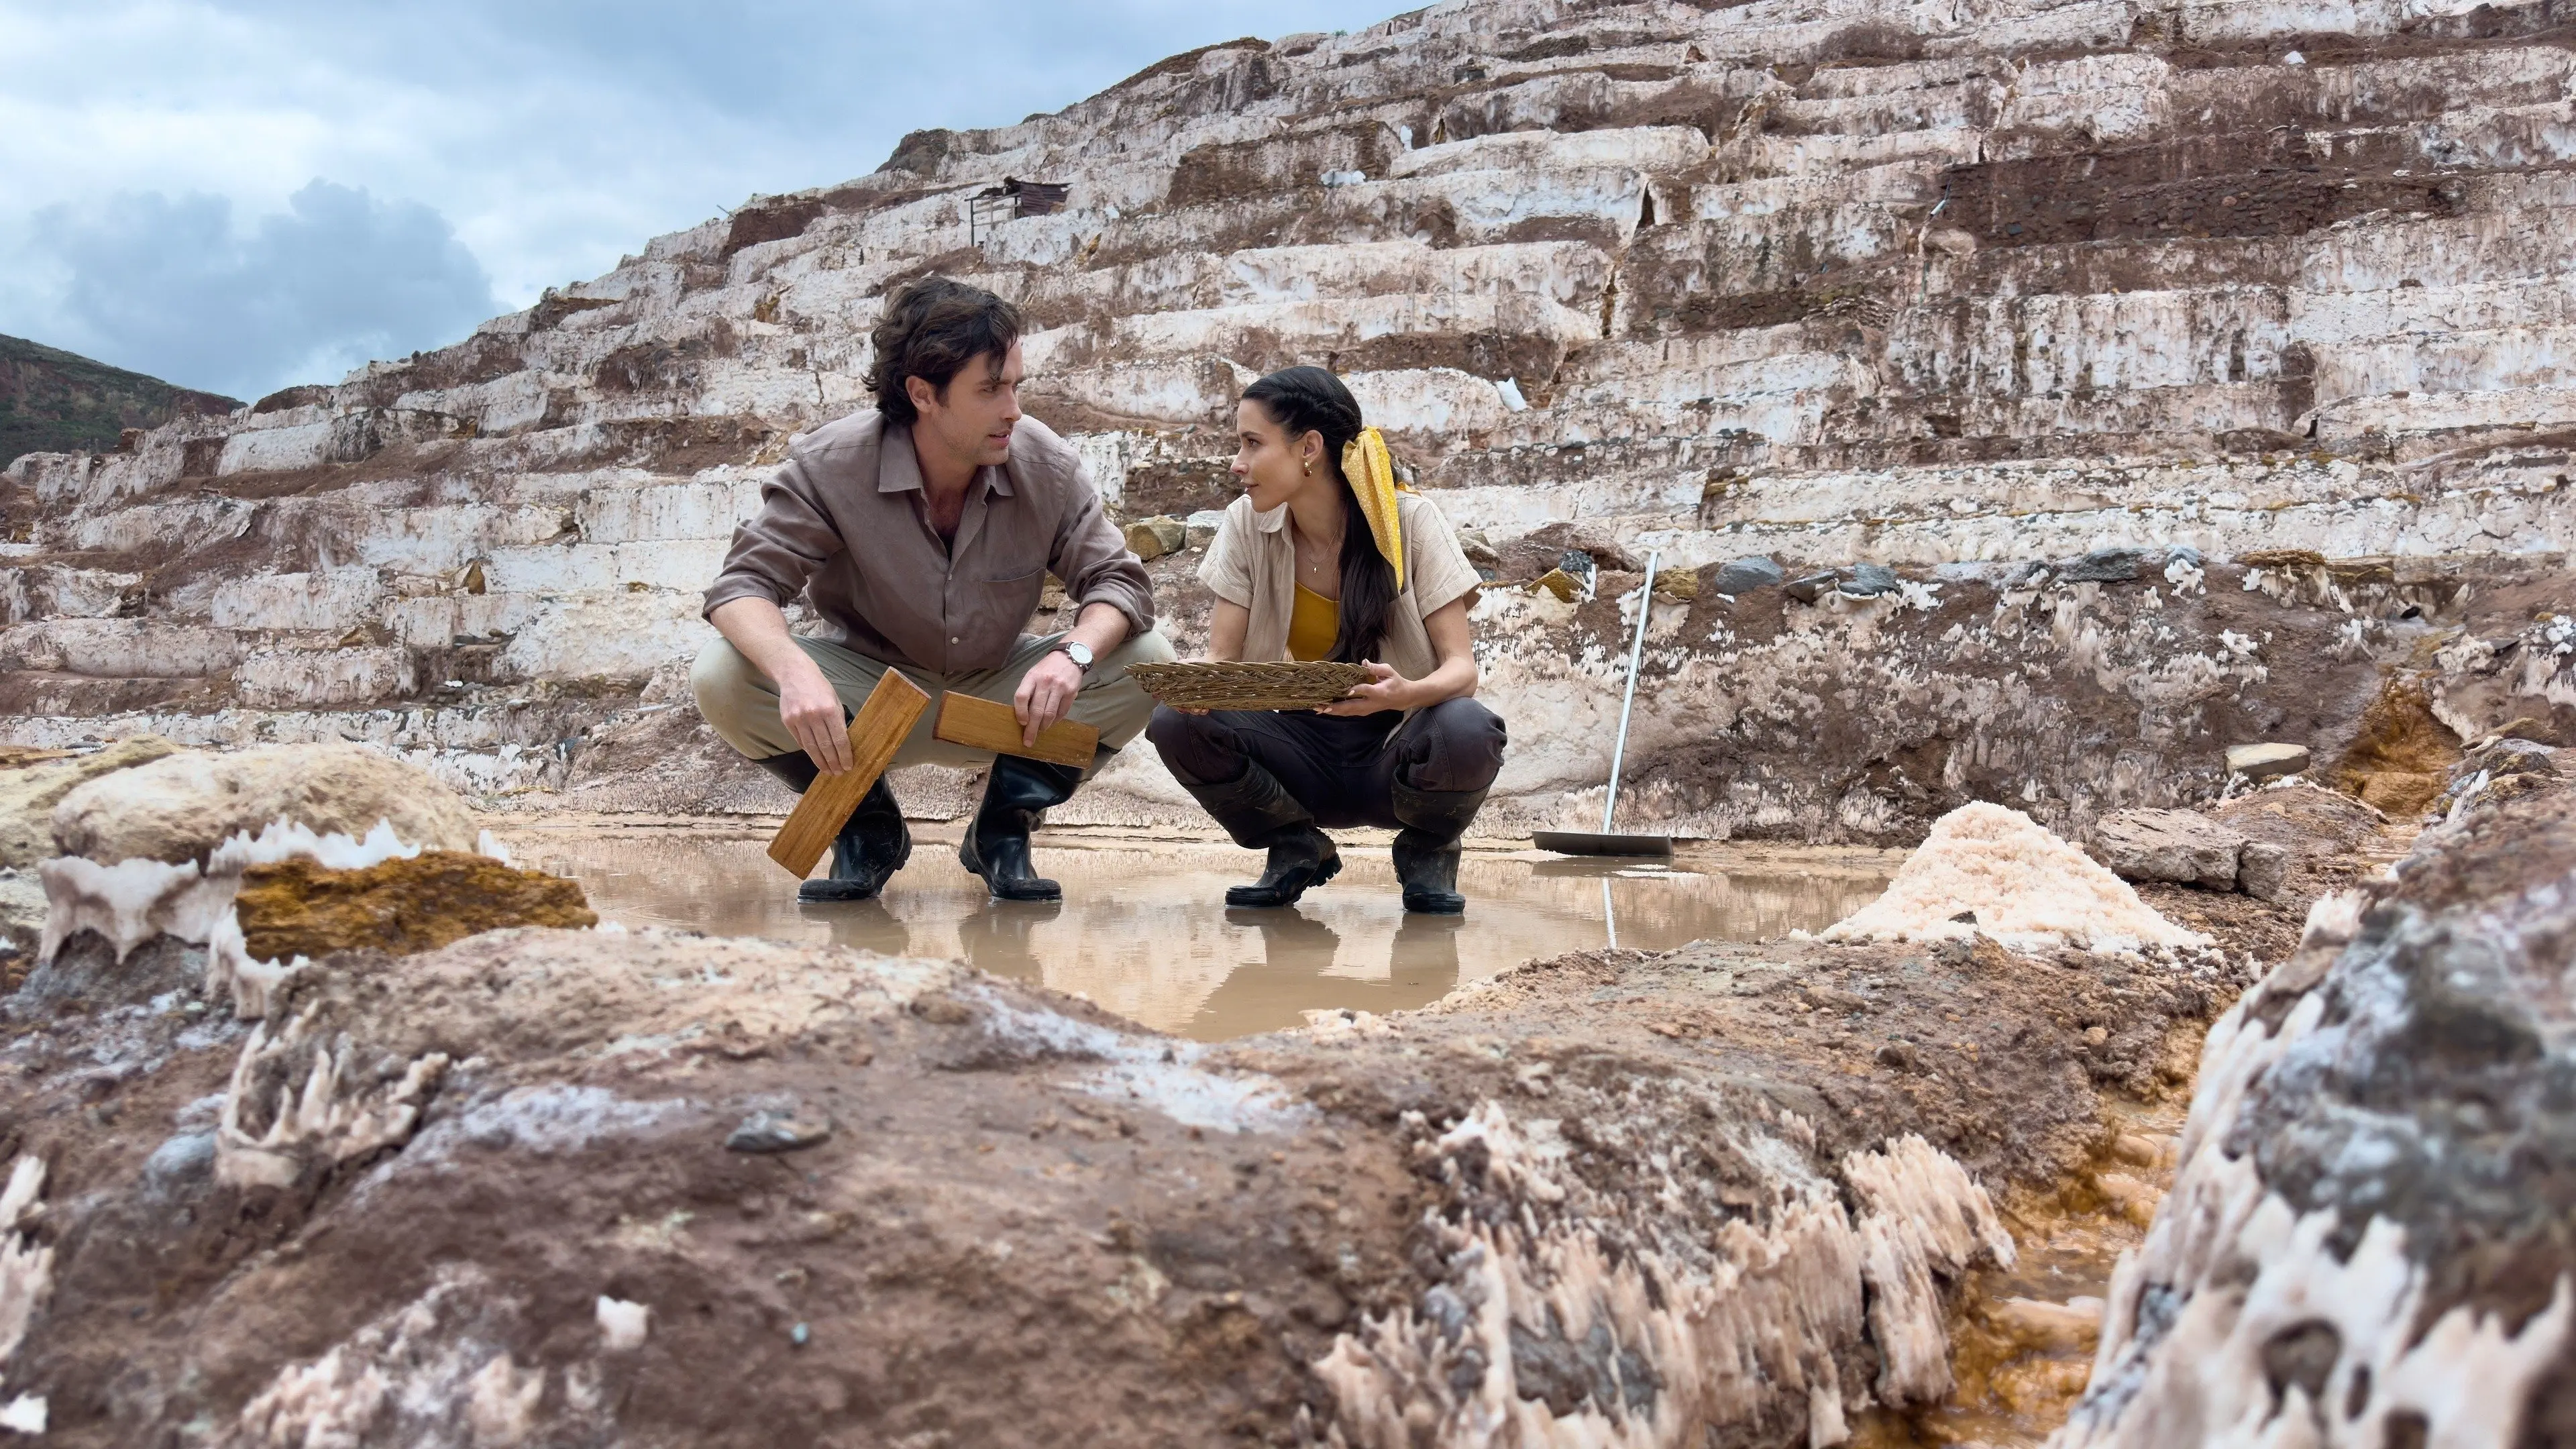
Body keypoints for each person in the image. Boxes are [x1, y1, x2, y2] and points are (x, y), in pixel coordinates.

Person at [692, 277, 1173, 904]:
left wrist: (1073, 654)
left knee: (1149, 662)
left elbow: (1120, 581)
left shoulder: (1045, 464)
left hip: (1004, 701)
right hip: (867, 697)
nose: (1013, 410)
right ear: (923, 393)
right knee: (722, 674)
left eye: (1015, 386)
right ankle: (867, 830)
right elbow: (743, 586)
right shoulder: (828, 464)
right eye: (990, 390)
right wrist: (792, 671)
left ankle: (1002, 831)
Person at [1146, 366, 1506, 914]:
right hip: (1300, 749)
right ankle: (1294, 845)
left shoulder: (1411, 520)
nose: (1236, 464)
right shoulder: (1246, 523)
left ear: (1309, 448)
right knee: (1177, 723)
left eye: (1252, 443)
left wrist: (1404, 694)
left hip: (1397, 746)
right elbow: (1223, 658)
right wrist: (1193, 684)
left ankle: (1428, 852)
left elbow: (1462, 671)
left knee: (1468, 727)